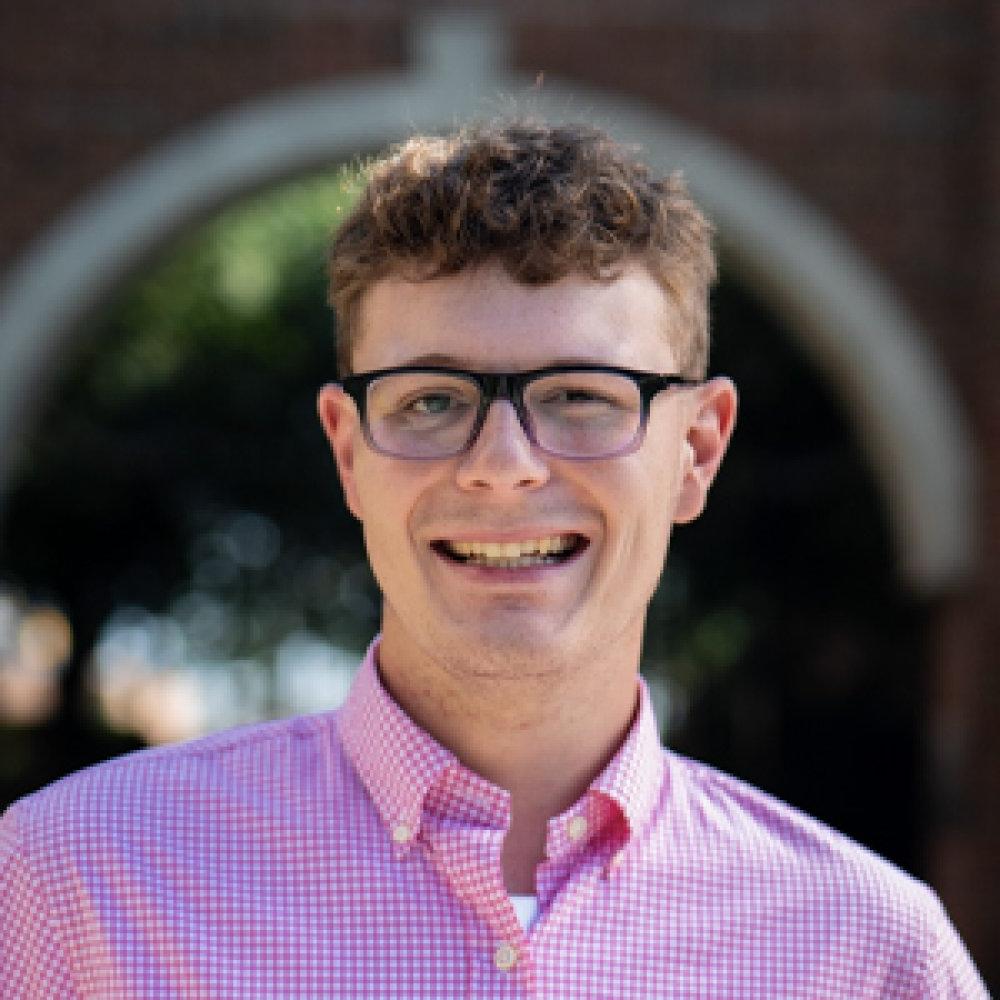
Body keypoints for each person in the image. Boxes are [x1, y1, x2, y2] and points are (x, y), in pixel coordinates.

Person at [0, 120, 988, 998]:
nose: (503, 466)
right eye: (430, 400)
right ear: (349, 451)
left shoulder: (866, 954)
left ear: (696, 451)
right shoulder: (76, 881)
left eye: (581, 396)